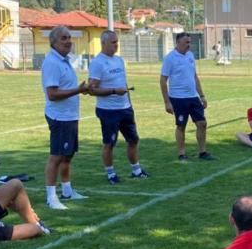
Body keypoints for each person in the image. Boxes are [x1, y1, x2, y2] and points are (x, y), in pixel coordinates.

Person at [88, 30, 149, 183]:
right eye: (113, 42)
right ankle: (111, 174)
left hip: (125, 109)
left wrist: (129, 103)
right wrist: (114, 91)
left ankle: (136, 170)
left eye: (117, 42)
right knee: (109, 143)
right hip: (108, 111)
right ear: (103, 43)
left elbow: (124, 84)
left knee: (133, 140)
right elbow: (91, 89)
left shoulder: (120, 60)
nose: (116, 45)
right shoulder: (97, 63)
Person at [41, 25, 90, 210]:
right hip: (60, 117)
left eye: (69, 37)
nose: (68, 41)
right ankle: (51, 197)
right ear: (53, 42)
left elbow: (65, 88)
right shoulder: (52, 62)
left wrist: (82, 89)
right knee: (56, 157)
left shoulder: (64, 60)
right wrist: (78, 89)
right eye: (63, 38)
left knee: (68, 156)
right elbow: (52, 94)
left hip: (70, 116)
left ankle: (68, 191)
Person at [160, 32, 214, 162]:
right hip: (178, 98)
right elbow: (163, 80)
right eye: (186, 42)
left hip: (193, 97)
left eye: (190, 42)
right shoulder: (170, 58)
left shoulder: (190, 56)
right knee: (181, 126)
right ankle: (182, 154)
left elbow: (194, 76)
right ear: (178, 43)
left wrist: (202, 95)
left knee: (202, 123)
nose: (189, 45)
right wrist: (167, 102)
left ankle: (202, 152)